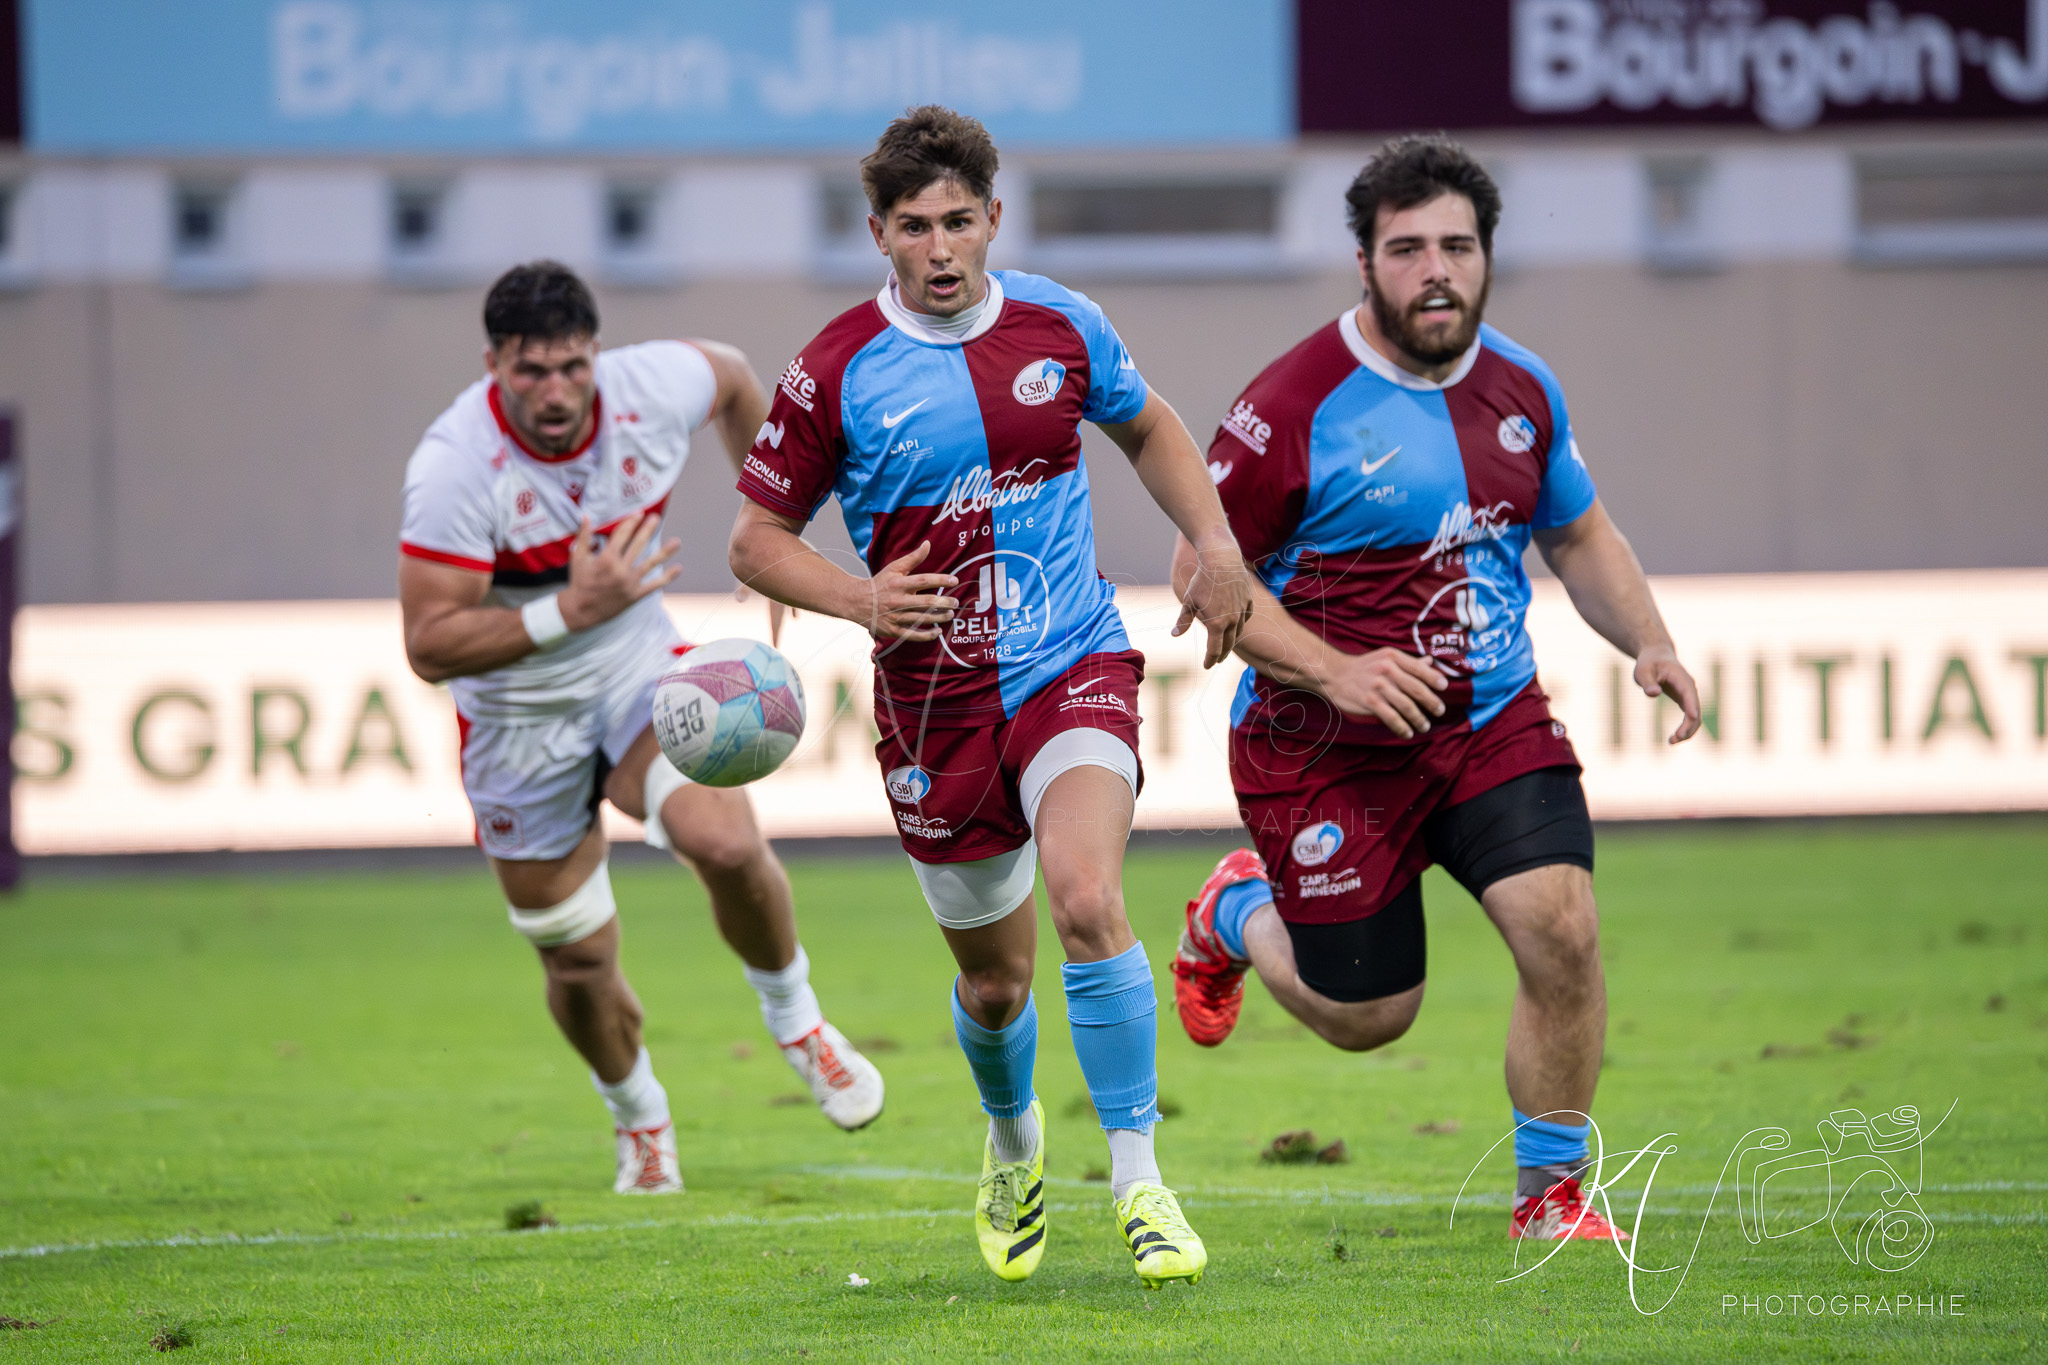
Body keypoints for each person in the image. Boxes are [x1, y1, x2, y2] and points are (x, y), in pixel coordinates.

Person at [728, 107, 1251, 1286]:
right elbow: (756, 542)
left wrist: (1212, 540)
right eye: (915, 227)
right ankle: (1013, 1144)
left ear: (993, 219)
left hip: (1069, 661)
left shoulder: (1062, 324)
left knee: (1083, 897)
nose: (941, 246)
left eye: (959, 220)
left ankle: (1138, 1179)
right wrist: (859, 600)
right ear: (879, 234)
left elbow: (1152, 426)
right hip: (931, 707)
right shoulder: (831, 371)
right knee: (994, 978)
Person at [1167, 135, 1702, 1242]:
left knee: (1560, 928)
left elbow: (1580, 533)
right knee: (1369, 1016)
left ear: (1485, 255)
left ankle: (1549, 1195)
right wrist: (1336, 671)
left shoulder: (1521, 388)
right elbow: (1199, 579)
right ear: (1361, 263)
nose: (1435, 271)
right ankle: (1231, 911)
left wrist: (1647, 642)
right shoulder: (1290, 405)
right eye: (1405, 249)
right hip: (1316, 744)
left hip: (1488, 718)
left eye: (1455, 246)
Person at [397, 261, 885, 1196]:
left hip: (634, 669)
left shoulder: (650, 387)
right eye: (530, 370)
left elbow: (741, 378)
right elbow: (429, 644)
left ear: (597, 356)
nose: (555, 390)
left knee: (725, 839)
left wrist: (770, 533)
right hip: (514, 719)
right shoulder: (456, 466)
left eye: (572, 366)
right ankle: (639, 1116)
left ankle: (799, 1023)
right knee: (579, 959)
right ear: (493, 362)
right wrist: (564, 613)